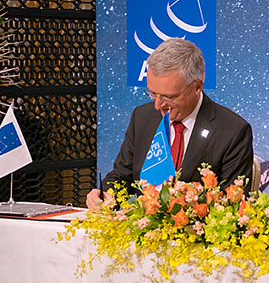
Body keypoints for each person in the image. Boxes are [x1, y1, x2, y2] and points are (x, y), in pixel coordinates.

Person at [86, 38, 253, 209]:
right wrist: (106, 195)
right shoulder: (143, 117)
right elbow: (122, 175)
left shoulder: (232, 131)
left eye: (169, 97)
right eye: (152, 94)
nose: (158, 105)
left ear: (197, 87)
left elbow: (232, 206)